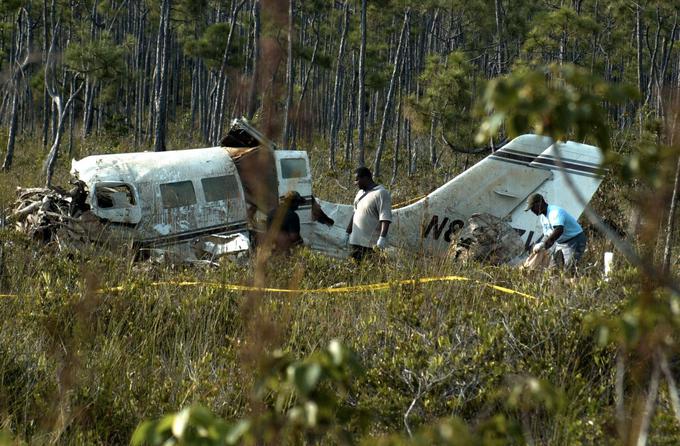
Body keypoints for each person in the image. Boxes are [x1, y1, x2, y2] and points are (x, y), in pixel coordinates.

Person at [525, 193, 587, 273]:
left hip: (574, 241)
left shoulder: (554, 212)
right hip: (561, 243)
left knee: (569, 269)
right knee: (553, 270)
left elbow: (558, 230)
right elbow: (547, 234)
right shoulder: (543, 218)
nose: (532, 211)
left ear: (539, 203)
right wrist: (542, 244)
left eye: (533, 208)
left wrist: (544, 244)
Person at [345, 167, 392, 261]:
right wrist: (347, 233)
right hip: (355, 242)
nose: (355, 183)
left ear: (366, 178)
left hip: (371, 245)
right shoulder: (359, 193)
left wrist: (382, 239)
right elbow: (355, 213)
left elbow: (385, 218)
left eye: (357, 180)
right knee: (355, 271)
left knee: (370, 270)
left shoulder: (381, 193)